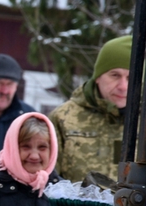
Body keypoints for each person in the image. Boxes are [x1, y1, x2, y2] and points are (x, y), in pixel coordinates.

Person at [49, 35, 131, 183]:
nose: (123, 86)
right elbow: (46, 182)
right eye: (115, 75)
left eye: (130, 78)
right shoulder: (63, 118)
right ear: (98, 77)